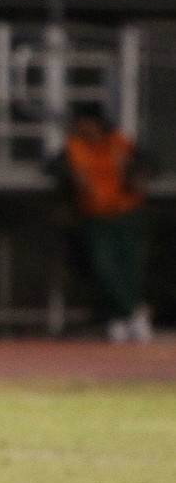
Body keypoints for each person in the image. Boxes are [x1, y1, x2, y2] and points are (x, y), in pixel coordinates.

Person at [48, 102, 155, 342]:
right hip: (96, 216)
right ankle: (134, 312)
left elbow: (148, 164)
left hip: (126, 213)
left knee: (128, 270)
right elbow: (53, 167)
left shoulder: (119, 141)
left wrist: (137, 175)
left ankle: (121, 319)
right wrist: (71, 180)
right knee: (104, 268)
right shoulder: (74, 147)